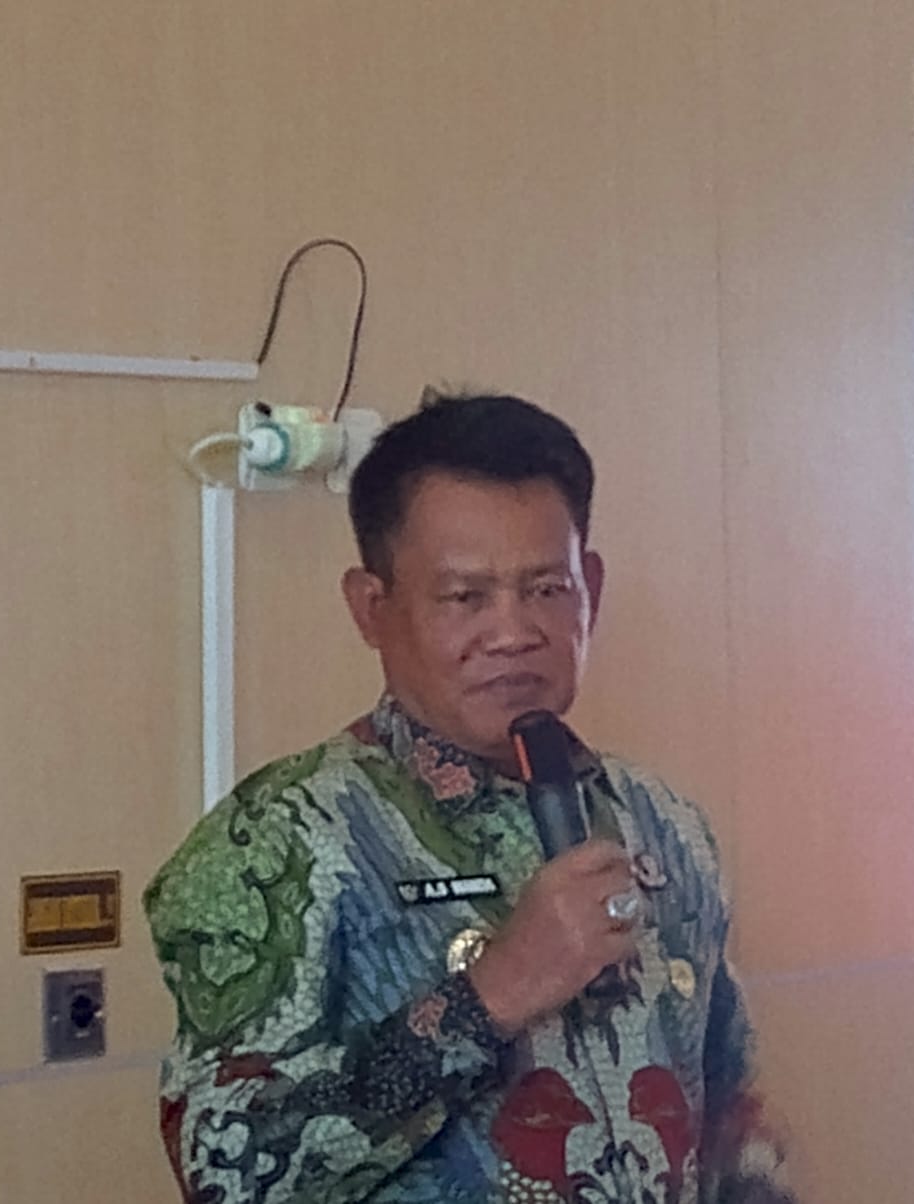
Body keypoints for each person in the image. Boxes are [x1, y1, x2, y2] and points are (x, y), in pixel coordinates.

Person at [145, 392, 796, 1204]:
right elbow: (230, 1172)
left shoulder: (664, 823)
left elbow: (732, 1114)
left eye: (546, 589)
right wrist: (494, 993)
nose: (514, 632)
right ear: (372, 608)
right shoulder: (279, 840)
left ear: (591, 589)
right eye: (465, 597)